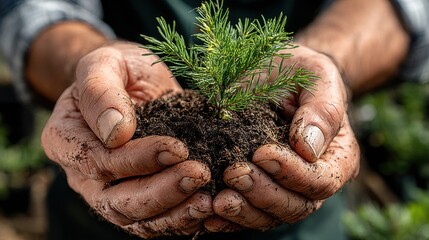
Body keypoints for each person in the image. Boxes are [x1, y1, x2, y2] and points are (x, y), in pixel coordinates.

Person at [0, 0, 428, 239]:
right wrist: (86, 71)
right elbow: (33, 9)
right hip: (106, 208)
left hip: (298, 224)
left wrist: (327, 59)